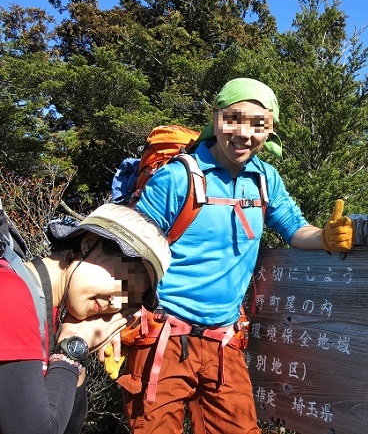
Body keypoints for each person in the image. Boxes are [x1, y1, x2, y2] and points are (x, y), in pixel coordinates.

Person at [120, 77, 354, 433]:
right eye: (234, 119)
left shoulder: (264, 179)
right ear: (216, 119)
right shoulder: (176, 178)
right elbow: (130, 251)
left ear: (270, 130)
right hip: (160, 337)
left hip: (224, 340)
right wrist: (112, 323)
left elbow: (293, 228)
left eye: (258, 124)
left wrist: (324, 237)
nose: (245, 133)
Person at [0, 203, 171, 434]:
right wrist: (71, 352)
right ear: (89, 243)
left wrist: (75, 355)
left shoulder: (49, 315)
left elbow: (67, 427)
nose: (117, 303)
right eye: (123, 282)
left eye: (129, 300)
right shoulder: (10, 292)